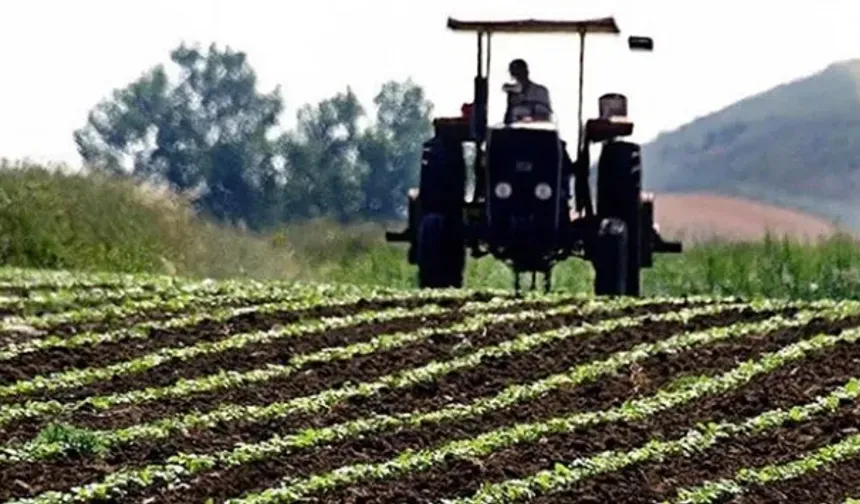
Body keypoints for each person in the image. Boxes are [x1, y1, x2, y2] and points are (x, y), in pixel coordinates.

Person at [503, 59, 553, 123]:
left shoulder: (540, 91)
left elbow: (546, 115)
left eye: (520, 72)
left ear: (526, 72)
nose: (518, 76)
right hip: (515, 130)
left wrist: (529, 118)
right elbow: (508, 119)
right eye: (515, 73)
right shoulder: (512, 91)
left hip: (537, 129)